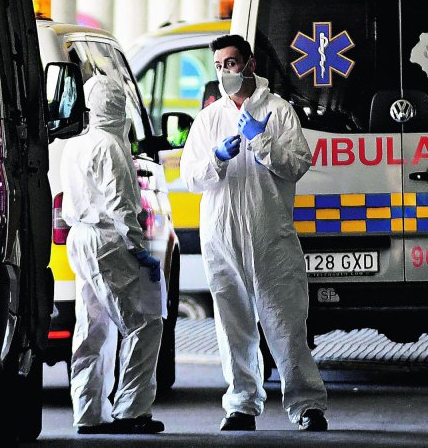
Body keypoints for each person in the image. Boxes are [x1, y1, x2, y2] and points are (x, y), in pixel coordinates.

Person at [180, 33, 329, 432]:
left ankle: (307, 404)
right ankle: (242, 404)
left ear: (250, 65)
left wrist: (259, 139)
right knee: (233, 325)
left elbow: (297, 164)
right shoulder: (209, 119)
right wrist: (217, 158)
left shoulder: (279, 113)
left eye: (231, 63)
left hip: (270, 237)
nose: (225, 72)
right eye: (219, 66)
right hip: (222, 239)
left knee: (285, 322)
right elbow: (189, 177)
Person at [61, 74, 165, 435]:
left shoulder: (74, 145)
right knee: (144, 323)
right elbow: (121, 205)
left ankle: (87, 412)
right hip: (108, 242)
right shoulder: (110, 147)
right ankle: (132, 411)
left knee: (92, 327)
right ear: (118, 107)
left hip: (80, 238)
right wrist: (139, 251)